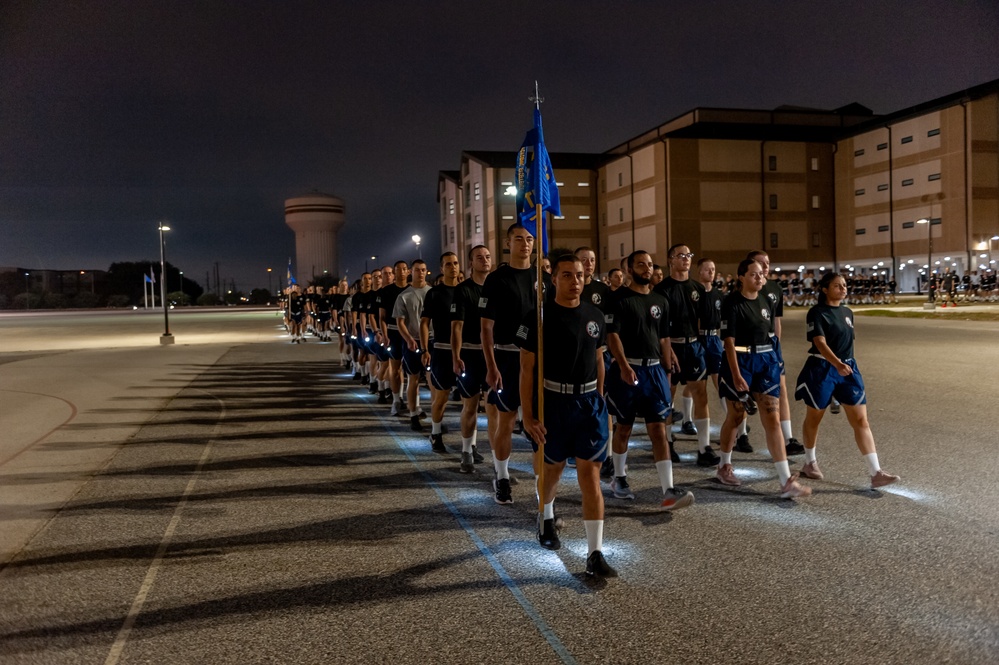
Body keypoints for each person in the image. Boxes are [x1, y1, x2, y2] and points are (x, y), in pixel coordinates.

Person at [518, 254, 616, 578]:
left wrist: (601, 400)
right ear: (553, 279)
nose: (575, 281)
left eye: (578, 275)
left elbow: (599, 359)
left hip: (588, 403)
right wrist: (529, 416)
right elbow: (526, 369)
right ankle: (545, 516)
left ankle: (595, 553)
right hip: (553, 403)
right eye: (566, 275)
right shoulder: (539, 317)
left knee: (590, 476)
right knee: (553, 471)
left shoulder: (595, 315)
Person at [605, 251, 694, 510]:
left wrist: (668, 366)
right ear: (630, 269)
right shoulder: (618, 299)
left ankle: (668, 489)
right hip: (628, 369)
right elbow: (613, 336)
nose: (646, 268)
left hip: (654, 372)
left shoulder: (660, 300)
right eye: (640, 264)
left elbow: (664, 337)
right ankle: (619, 478)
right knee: (624, 427)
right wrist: (622, 365)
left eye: (649, 264)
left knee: (658, 429)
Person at [793, 273, 900, 489]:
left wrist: (845, 366)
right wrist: (836, 364)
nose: (843, 289)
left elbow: (847, 342)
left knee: (861, 420)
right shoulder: (817, 312)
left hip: (848, 368)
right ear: (825, 289)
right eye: (837, 285)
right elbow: (820, 343)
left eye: (844, 285)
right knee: (814, 418)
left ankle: (876, 472)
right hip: (823, 368)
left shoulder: (848, 312)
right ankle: (809, 463)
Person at [715, 258, 811, 498]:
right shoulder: (731, 303)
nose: (760, 278)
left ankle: (786, 480)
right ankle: (724, 465)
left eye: (761, 275)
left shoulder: (766, 300)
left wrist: (777, 364)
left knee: (772, 419)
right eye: (754, 274)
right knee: (736, 415)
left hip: (766, 362)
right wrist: (736, 374)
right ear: (741, 277)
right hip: (740, 361)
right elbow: (728, 342)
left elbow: (771, 335)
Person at [480, 223, 550, 505]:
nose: (525, 243)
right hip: (507, 356)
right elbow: (486, 327)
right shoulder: (497, 279)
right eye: (519, 239)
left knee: (540, 425)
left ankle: (542, 493)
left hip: (539, 359)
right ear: (508, 243)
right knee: (506, 422)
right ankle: (502, 477)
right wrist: (491, 365)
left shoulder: (544, 278)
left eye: (530, 239)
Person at [653, 244, 719, 467]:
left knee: (701, 394)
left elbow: (701, 321)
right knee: (667, 398)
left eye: (689, 255)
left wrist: (700, 345)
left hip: (693, 347)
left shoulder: (697, 289)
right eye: (681, 255)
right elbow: (658, 325)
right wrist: (666, 350)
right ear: (671, 259)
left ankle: (704, 447)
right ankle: (668, 443)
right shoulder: (661, 290)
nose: (686, 259)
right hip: (670, 346)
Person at [746, 250, 805, 456]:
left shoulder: (774, 288)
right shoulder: (746, 287)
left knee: (780, 388)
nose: (766, 266)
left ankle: (788, 438)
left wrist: (777, 345)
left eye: (768, 262)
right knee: (743, 392)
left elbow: (776, 320)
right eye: (761, 262)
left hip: (771, 345)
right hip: (749, 347)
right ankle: (741, 435)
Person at [451, 245, 493, 472]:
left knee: (495, 409)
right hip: (469, 352)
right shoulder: (463, 290)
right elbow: (456, 327)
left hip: (493, 355)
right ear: (471, 263)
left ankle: (499, 466)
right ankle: (466, 451)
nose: (485, 260)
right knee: (471, 405)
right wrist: (456, 356)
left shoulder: (497, 288)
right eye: (479, 257)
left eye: (487, 257)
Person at [421, 252, 460, 453]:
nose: (453, 267)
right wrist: (425, 348)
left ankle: (469, 446)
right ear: (441, 268)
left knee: (470, 400)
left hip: (463, 353)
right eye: (448, 264)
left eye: (455, 263)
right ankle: (435, 433)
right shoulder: (434, 293)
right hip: (441, 350)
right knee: (442, 396)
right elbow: (425, 322)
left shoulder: (465, 291)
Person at [394, 260, 432, 431]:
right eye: (417, 270)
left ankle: (436, 418)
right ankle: (413, 414)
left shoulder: (432, 292)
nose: (420, 273)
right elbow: (400, 321)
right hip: (413, 341)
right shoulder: (404, 295)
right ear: (411, 272)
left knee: (433, 381)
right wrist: (408, 338)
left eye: (423, 270)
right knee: (413, 378)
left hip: (432, 341)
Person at [379, 261, 411, 414]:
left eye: (405, 269)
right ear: (394, 272)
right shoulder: (386, 291)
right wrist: (384, 335)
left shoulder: (412, 290)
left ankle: (412, 402)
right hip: (393, 332)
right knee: (395, 368)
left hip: (411, 333)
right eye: (398, 269)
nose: (402, 272)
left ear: (408, 271)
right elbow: (382, 317)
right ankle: (396, 399)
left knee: (411, 369)